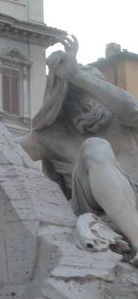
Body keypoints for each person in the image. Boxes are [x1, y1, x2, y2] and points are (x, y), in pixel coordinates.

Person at [20, 35, 138, 264]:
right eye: (78, 101)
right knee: (96, 147)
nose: (89, 106)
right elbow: (0, 150)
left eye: (94, 94)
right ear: (65, 105)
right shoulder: (51, 137)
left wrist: (78, 76)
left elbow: (132, 109)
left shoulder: (122, 118)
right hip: (93, 208)